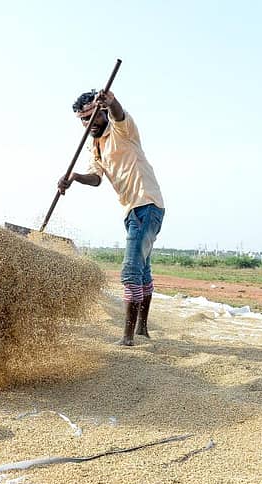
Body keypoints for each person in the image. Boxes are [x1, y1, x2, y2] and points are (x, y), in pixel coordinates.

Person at [57, 89, 165, 346]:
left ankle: (127, 339)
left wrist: (112, 101)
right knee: (143, 271)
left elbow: (118, 114)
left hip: (146, 204)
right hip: (131, 210)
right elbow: (96, 178)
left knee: (130, 271)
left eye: (93, 116)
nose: (89, 123)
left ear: (103, 111)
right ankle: (141, 330)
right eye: (84, 119)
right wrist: (74, 177)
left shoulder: (122, 130)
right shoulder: (95, 145)